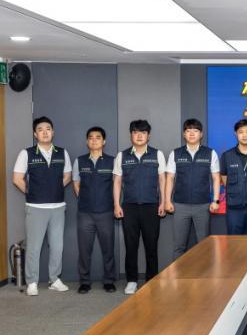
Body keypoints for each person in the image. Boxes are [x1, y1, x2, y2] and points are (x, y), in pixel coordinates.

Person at [12, 116, 72, 296]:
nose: (45, 132)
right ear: (35, 134)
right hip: (36, 208)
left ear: (53, 132)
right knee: (34, 247)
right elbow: (17, 178)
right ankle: (32, 282)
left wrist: (54, 189)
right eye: (40, 129)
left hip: (58, 207)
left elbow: (67, 176)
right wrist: (32, 192)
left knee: (57, 246)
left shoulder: (62, 153)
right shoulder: (27, 153)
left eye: (48, 129)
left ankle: (54, 279)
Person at [113, 120, 166, 295]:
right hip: (129, 207)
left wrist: (163, 202)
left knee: (151, 245)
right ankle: (132, 281)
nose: (139, 135)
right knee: (131, 246)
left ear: (148, 135)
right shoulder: (122, 156)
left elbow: (162, 179)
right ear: (131, 135)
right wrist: (116, 204)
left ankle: (152, 280)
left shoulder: (157, 154)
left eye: (143, 132)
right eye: (135, 132)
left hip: (151, 206)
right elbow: (117, 181)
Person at [165, 119, 220, 259]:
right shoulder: (175, 153)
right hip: (180, 205)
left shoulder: (210, 153)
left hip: (203, 205)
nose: (191, 134)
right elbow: (170, 178)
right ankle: (178, 273)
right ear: (184, 134)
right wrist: (167, 201)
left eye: (195, 131)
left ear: (201, 134)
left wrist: (215, 200)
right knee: (179, 246)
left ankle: (205, 272)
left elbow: (216, 178)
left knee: (204, 245)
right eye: (188, 131)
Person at [72, 127, 116, 294]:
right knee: (84, 250)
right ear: (87, 141)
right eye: (91, 137)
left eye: (98, 137)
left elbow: (117, 185)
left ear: (104, 141)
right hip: (85, 213)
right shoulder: (80, 161)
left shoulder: (112, 161)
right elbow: (76, 183)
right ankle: (84, 282)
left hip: (106, 212)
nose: (94, 140)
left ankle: (109, 281)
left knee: (108, 249)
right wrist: (86, 199)